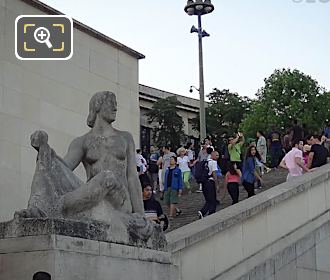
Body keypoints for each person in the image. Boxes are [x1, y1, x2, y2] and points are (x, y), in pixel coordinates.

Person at [17, 92, 157, 242]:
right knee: (47, 162)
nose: (115, 107)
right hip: (93, 196)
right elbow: (62, 170)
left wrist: (141, 216)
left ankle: (53, 208)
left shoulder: (125, 138)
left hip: (120, 200)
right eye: (111, 102)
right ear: (97, 106)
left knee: (107, 177)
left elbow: (132, 177)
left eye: (115, 103)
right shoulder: (82, 141)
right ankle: (39, 207)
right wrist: (44, 150)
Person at [198, 151, 220, 218]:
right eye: (216, 155)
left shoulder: (205, 163)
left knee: (208, 199)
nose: (217, 157)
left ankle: (206, 212)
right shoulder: (213, 162)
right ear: (212, 155)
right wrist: (217, 184)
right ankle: (206, 212)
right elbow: (214, 174)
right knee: (212, 199)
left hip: (204, 182)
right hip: (210, 182)